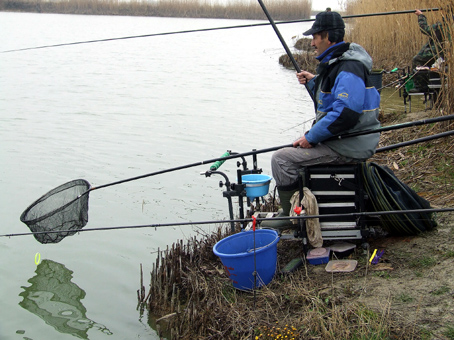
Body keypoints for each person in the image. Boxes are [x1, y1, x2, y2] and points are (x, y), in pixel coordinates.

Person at [261, 11, 381, 229]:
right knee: (292, 151)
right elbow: (336, 96)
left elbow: (345, 113)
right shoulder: (340, 63)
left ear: (327, 36)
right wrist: (314, 82)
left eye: (315, 37)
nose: (313, 42)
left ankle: (290, 216)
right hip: (344, 140)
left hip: (348, 146)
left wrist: (310, 137)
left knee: (281, 159)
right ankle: (299, 207)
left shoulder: (348, 67)